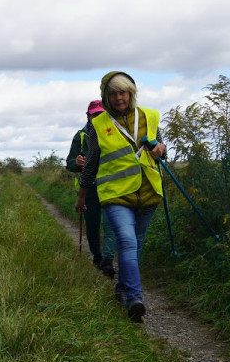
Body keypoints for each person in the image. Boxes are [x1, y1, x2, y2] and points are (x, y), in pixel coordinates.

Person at [74, 72, 166, 323]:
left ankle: (123, 287)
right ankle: (135, 298)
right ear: (106, 96)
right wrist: (82, 197)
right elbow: (90, 165)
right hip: (116, 196)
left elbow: (161, 149)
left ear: (131, 93)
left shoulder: (150, 116)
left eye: (122, 92)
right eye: (112, 93)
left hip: (148, 192)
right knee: (126, 242)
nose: (118, 98)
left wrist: (160, 149)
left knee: (135, 245)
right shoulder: (97, 125)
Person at [66, 99, 116, 277]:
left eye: (101, 114)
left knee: (111, 225)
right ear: (88, 116)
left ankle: (108, 261)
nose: (97, 117)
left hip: (111, 186)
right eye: (94, 114)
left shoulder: (115, 133)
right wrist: (77, 163)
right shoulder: (80, 136)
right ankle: (97, 256)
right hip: (89, 190)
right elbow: (69, 163)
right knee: (93, 226)